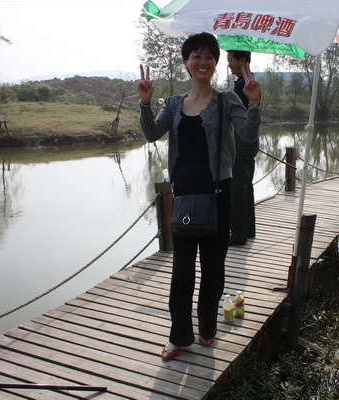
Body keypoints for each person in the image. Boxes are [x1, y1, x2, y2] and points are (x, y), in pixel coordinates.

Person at [137, 32, 261, 361]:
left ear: (216, 62)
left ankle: (207, 327)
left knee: (213, 268)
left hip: (218, 194)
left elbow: (247, 136)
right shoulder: (173, 104)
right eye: (196, 55)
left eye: (209, 56)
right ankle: (178, 336)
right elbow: (151, 134)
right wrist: (145, 104)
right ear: (186, 62)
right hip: (184, 196)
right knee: (181, 271)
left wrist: (253, 105)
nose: (202, 61)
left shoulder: (227, 101)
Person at [227, 50, 260, 246]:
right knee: (245, 187)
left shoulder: (243, 85)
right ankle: (248, 230)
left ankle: (238, 235)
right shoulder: (247, 82)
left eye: (230, 60)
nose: (228, 64)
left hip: (241, 143)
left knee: (237, 189)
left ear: (242, 61)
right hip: (249, 143)